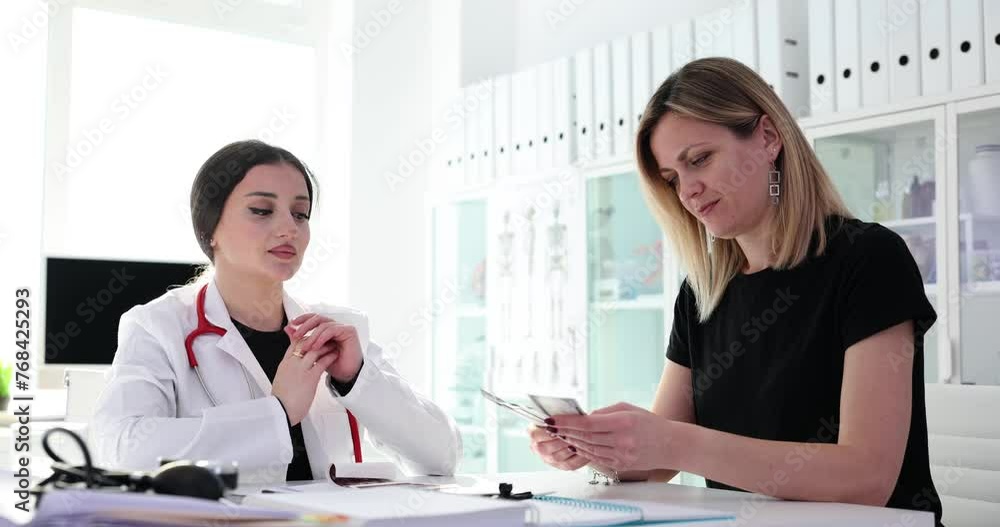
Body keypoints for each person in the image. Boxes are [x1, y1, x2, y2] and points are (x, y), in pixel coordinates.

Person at [528, 58, 943, 525]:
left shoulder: (869, 259)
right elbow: (658, 463)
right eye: (672, 179)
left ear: (768, 138)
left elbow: (866, 479)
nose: (688, 191)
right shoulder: (702, 293)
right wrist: (597, 447)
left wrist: (673, 441)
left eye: (699, 159)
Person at [92, 140, 461, 482]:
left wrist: (358, 380)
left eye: (300, 214)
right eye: (261, 210)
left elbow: (442, 456)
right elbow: (121, 449)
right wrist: (278, 413)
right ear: (209, 228)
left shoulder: (340, 330)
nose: (289, 228)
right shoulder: (158, 327)